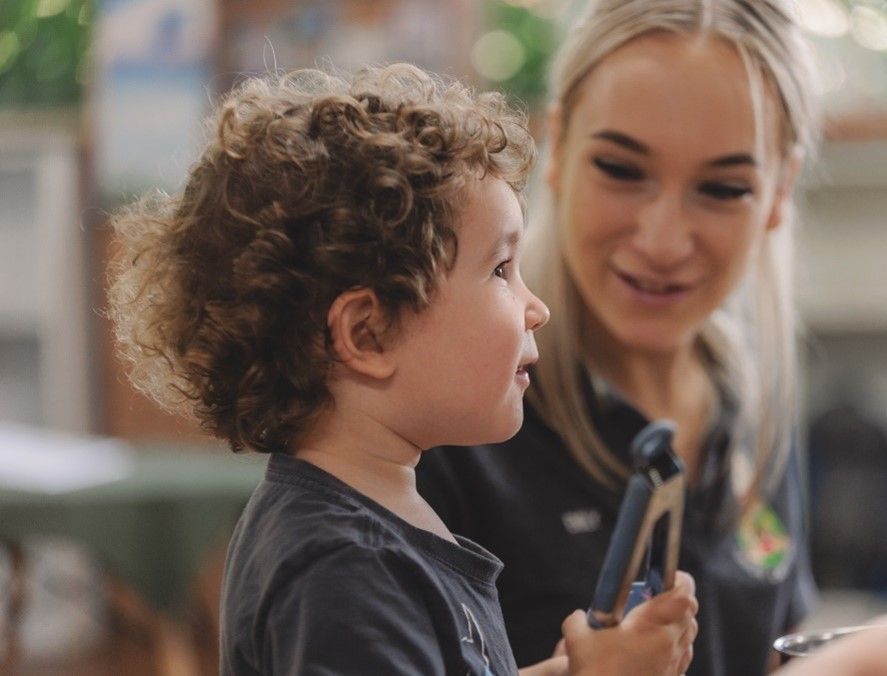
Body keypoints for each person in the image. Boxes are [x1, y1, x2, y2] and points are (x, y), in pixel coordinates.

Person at [416, 2, 887, 675]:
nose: (663, 240)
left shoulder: (751, 399)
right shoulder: (447, 424)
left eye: (723, 188)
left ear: (780, 191)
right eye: (621, 168)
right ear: (558, 144)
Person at [106, 64, 698, 675]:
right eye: (499, 270)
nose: (537, 307)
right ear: (367, 334)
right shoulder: (339, 571)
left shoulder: (370, 525)